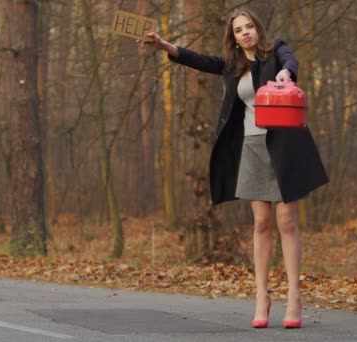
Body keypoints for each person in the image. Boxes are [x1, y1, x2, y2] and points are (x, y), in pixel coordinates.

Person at [140, 8, 328, 329]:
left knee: (286, 220)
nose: (245, 32)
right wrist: (163, 45)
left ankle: (294, 296)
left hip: (284, 146)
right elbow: (197, 60)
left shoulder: (275, 53)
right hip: (251, 148)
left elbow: (291, 60)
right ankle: (261, 296)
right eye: (239, 29)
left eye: (249, 26)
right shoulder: (231, 65)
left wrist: (286, 75)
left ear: (258, 28)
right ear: (234, 37)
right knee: (262, 222)